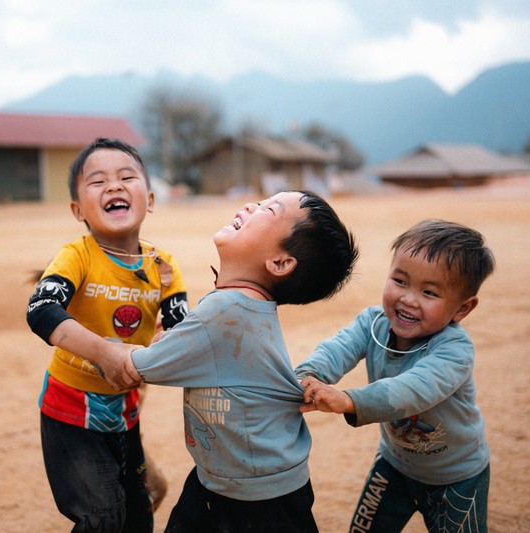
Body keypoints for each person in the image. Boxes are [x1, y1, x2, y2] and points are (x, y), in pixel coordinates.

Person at [108, 190, 359, 532]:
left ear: (280, 263)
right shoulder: (240, 306)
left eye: (268, 209)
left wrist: (84, 339)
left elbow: (138, 367)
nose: (251, 206)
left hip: (258, 500)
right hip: (233, 481)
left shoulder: (225, 310)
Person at [26, 137, 189, 532]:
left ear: (149, 199)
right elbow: (41, 310)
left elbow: (184, 333)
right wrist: (104, 353)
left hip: (123, 413)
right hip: (69, 410)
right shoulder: (77, 256)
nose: (114, 186)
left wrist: (169, 343)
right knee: (102, 517)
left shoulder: (163, 266)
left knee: (139, 515)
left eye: (127, 177)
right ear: (77, 209)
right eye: (97, 181)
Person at [295, 219, 495, 533]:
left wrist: (348, 400)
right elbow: (338, 348)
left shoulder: (455, 350)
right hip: (394, 466)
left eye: (429, 292)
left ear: (462, 308)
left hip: (456, 477)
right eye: (400, 281)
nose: (408, 298)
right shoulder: (372, 323)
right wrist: (308, 374)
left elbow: (411, 391)